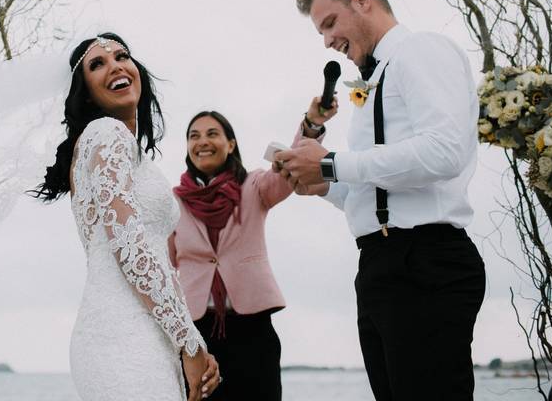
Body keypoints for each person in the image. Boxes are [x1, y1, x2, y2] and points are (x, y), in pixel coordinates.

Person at [275, 0, 486, 401]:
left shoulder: (421, 51)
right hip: (380, 265)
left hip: (425, 264)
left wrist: (333, 164)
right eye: (320, 32)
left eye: (330, 23)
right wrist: (324, 184)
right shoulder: (373, 81)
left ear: (363, 0)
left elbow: (444, 152)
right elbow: (377, 185)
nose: (328, 41)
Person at [31, 33, 221, 401]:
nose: (115, 65)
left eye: (122, 56)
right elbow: (130, 248)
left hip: (137, 331)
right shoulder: (107, 133)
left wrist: (182, 336)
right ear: (84, 91)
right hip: (122, 336)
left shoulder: (113, 147)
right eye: (97, 64)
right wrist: (190, 343)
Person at [170, 105, 334, 400]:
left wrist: (310, 124)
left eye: (212, 134)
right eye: (193, 136)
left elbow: (288, 171)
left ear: (231, 144)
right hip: (195, 332)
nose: (202, 141)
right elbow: (165, 267)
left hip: (252, 328)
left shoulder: (254, 185)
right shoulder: (172, 203)